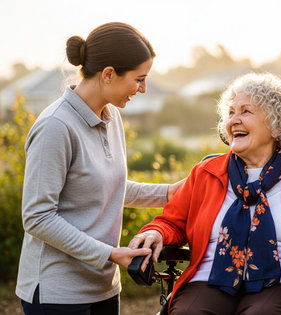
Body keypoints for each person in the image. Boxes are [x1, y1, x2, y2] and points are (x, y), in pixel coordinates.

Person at [129, 72, 281, 315]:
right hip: (210, 278)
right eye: (230, 113)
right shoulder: (206, 173)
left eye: (245, 111)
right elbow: (172, 222)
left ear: (276, 123)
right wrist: (156, 232)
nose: (234, 120)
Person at [16, 22, 184, 315]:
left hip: (104, 286)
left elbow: (109, 186)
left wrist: (172, 192)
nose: (143, 89)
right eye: (139, 79)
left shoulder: (111, 117)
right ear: (108, 74)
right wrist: (110, 254)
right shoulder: (56, 126)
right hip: (58, 295)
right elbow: (37, 217)